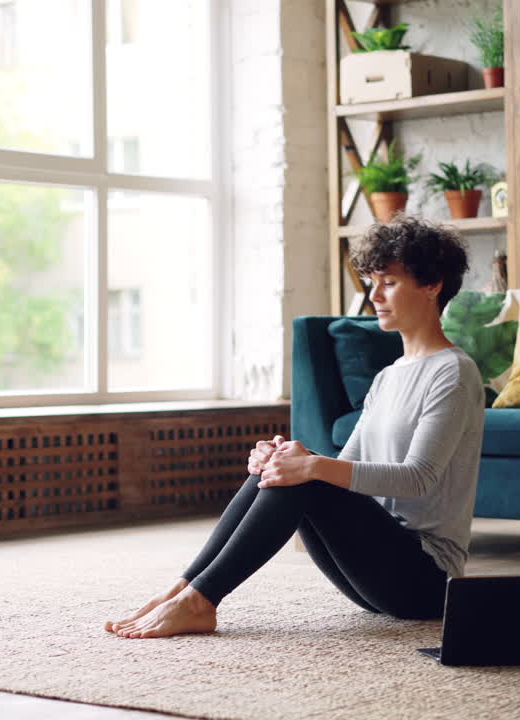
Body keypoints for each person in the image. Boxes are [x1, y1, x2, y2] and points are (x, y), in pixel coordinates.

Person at [104, 215, 485, 639]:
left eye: (389, 283)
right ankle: (184, 588)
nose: (373, 295)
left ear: (432, 285)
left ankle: (200, 600)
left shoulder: (453, 372)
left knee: (304, 471)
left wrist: (309, 467)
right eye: (372, 282)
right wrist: (282, 459)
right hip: (373, 577)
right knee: (288, 464)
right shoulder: (389, 376)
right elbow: (346, 468)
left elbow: (418, 478)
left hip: (425, 583)